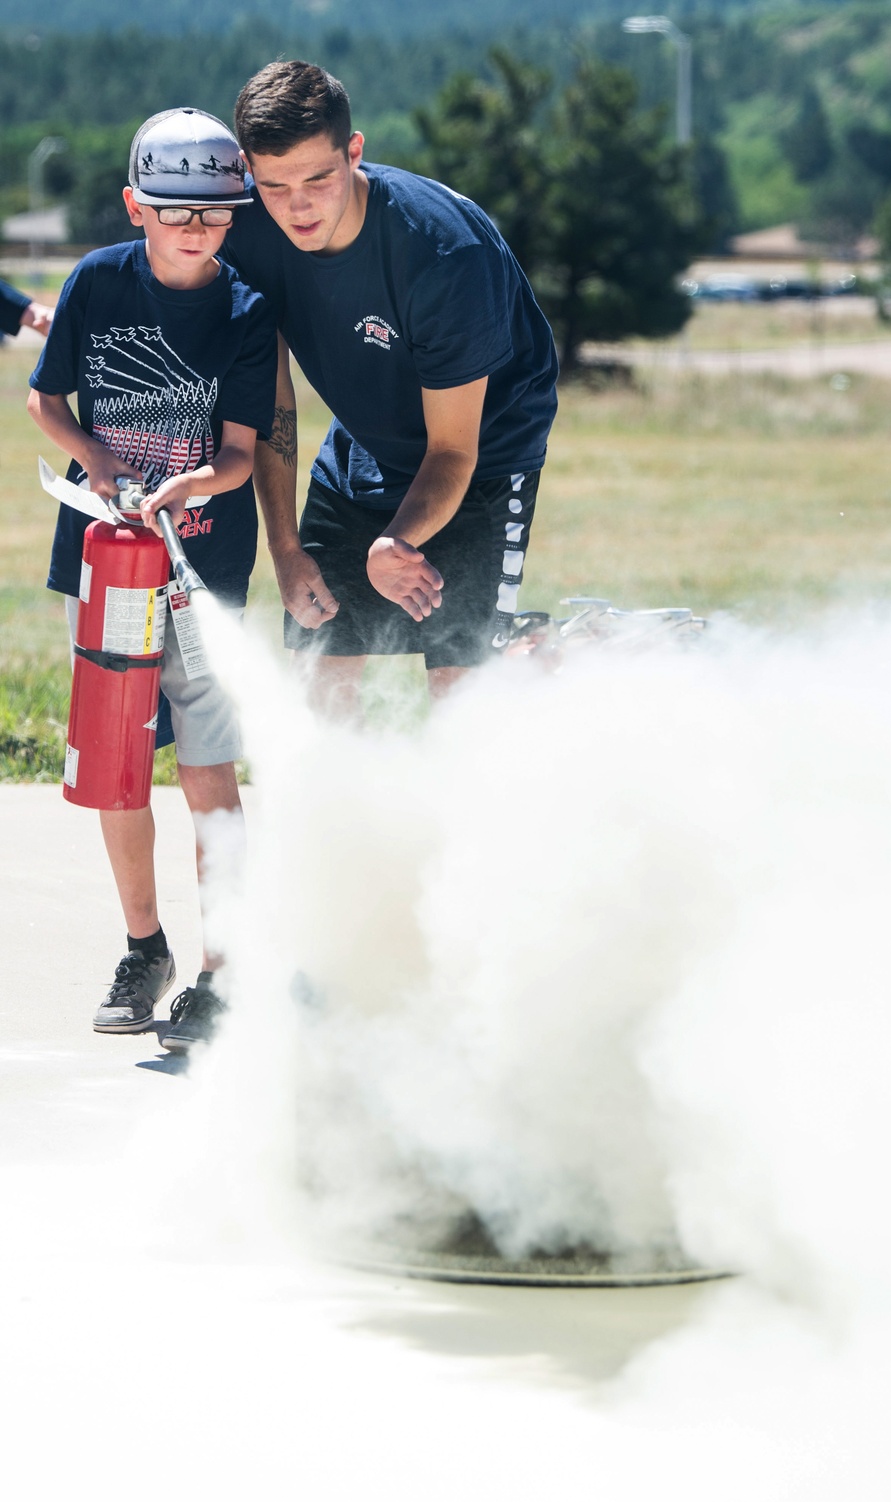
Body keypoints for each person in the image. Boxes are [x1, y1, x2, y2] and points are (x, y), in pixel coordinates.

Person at [27, 108, 277, 1051]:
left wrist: (186, 485)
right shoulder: (95, 283)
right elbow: (45, 402)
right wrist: (101, 465)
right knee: (119, 761)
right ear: (137, 205)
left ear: (233, 216)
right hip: (104, 561)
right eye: (173, 209)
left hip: (202, 571)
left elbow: (244, 455)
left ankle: (223, 972)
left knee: (207, 766)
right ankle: (145, 950)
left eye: (213, 213)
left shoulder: (249, 312)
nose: (193, 226)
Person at [226, 60, 559, 713]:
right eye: (274, 185)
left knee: (459, 689)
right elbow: (272, 399)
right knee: (319, 671)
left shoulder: (442, 255)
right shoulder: (250, 231)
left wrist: (397, 540)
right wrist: (286, 550)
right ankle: (338, 816)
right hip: (362, 445)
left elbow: (454, 450)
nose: (298, 206)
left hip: (486, 457)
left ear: (355, 151)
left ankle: (542, 663)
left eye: (320, 178)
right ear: (248, 169)